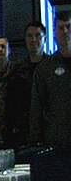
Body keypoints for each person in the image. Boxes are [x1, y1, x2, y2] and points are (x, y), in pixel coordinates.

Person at [29, 13, 71, 150]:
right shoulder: (45, 69)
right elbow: (37, 108)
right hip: (58, 141)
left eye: (68, 27)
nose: (65, 32)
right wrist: (36, 141)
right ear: (54, 33)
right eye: (60, 28)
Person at [0, 24, 45, 148]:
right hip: (22, 134)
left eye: (37, 36)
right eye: (29, 36)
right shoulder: (16, 70)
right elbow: (9, 105)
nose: (33, 40)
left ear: (44, 38)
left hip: (48, 131)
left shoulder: (52, 68)